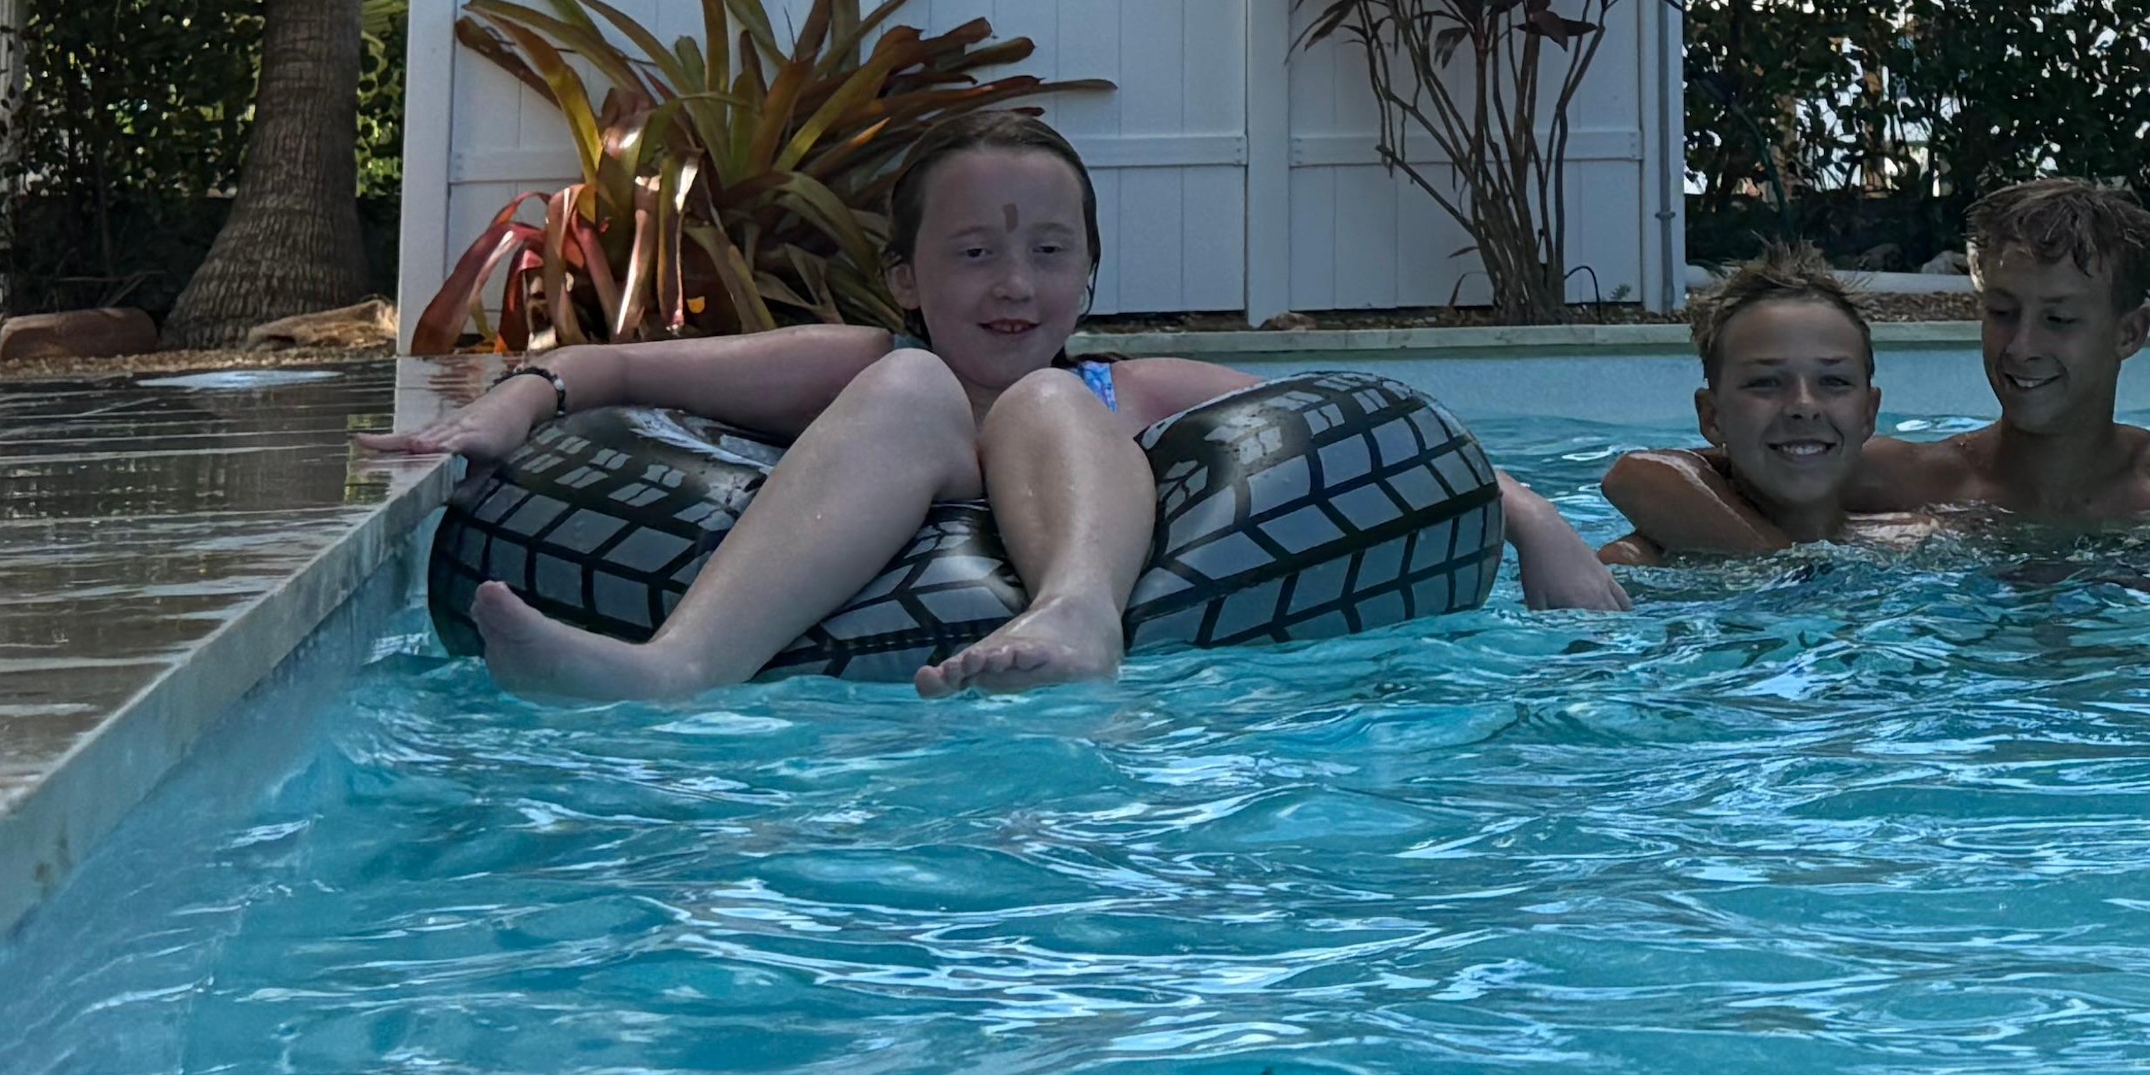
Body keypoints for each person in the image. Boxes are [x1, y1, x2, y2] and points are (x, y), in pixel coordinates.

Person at [369, 107, 1624, 699]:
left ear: (1090, 274)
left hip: (1096, 593)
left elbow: (1366, 437)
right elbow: (619, 369)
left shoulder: (1136, 386)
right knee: (914, 384)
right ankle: (680, 667)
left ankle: (1076, 614)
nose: (1013, 284)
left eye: (1047, 252)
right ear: (908, 276)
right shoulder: (868, 362)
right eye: (973, 253)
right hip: (885, 493)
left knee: (1048, 402)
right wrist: (508, 407)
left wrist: (1531, 520)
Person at [1607, 176, 2150, 550]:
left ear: (2130, 333)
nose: (2021, 346)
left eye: (2060, 320)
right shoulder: (1913, 480)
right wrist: (1781, 571)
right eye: (2002, 311)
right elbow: (1644, 475)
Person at [1604, 247, 1895, 559]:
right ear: (1712, 417)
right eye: (1765, 382)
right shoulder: (1638, 565)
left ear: (1868, 413)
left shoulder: (1912, 542)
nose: (1804, 405)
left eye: (1834, 381)